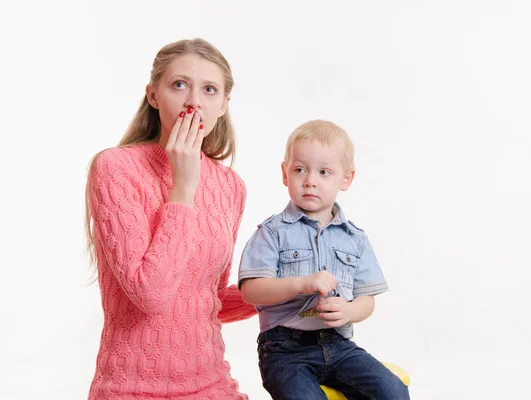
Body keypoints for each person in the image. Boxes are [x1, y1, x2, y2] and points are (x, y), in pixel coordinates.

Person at [84, 38, 256, 400]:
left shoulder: (231, 187)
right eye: (180, 85)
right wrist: (184, 187)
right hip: (129, 389)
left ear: (223, 105)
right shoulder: (115, 168)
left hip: (212, 385)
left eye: (209, 90)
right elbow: (152, 295)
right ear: (153, 95)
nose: (194, 101)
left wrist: (281, 292)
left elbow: (206, 297)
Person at [238, 120, 410, 399]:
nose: (310, 180)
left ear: (346, 179)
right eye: (299, 169)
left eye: (324, 172)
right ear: (285, 173)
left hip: (339, 346)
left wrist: (349, 312)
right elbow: (250, 290)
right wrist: (301, 283)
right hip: (284, 351)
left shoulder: (355, 239)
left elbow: (367, 300)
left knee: (393, 391)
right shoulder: (271, 233)